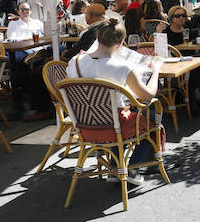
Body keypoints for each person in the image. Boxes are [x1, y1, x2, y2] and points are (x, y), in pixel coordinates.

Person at [67, 18, 161, 186]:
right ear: (120, 42)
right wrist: (156, 72)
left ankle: (114, 168)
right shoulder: (121, 68)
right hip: (112, 126)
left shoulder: (74, 62)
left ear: (97, 36)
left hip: (83, 125)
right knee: (152, 119)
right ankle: (132, 168)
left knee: (114, 115)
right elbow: (147, 96)